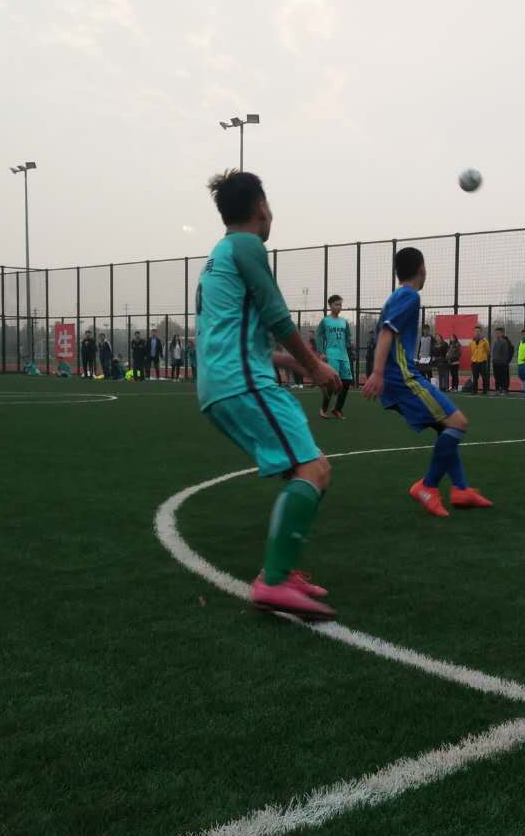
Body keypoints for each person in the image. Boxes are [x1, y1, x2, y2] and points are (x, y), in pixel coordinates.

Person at [196, 169, 340, 619]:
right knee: (314, 469)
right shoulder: (247, 246)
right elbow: (277, 316)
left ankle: (283, 570)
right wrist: (313, 365)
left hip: (222, 384)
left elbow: (234, 335)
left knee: (307, 468)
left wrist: (291, 363)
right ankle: (273, 581)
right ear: (261, 207)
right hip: (241, 383)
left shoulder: (217, 256)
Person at [362, 246, 493, 517]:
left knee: (445, 426)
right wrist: (377, 372)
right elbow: (387, 332)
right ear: (422, 268)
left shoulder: (396, 296)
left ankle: (460, 488)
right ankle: (427, 486)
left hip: (398, 377)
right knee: (458, 423)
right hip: (402, 378)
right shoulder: (410, 296)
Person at [316, 294, 353, 418]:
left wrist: (350, 344)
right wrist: (321, 352)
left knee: (347, 381)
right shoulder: (325, 321)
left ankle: (337, 409)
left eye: (340, 305)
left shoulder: (344, 321)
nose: (339, 307)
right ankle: (323, 409)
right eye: (336, 304)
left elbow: (348, 336)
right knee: (332, 382)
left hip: (344, 355)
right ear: (330, 306)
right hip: (331, 354)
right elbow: (319, 336)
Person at [491, 327, 513, 395]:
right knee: (497, 377)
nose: (497, 334)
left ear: (502, 333)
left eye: (498, 333)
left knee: (504, 377)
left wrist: (505, 361)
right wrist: (493, 360)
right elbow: (494, 352)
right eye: (496, 333)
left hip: (503, 363)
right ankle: (497, 390)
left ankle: (504, 390)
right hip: (495, 363)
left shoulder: (505, 342)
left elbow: (506, 353)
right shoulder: (495, 342)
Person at [468, 326, 491, 394]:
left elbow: (488, 350)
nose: (477, 332)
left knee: (484, 377)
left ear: (481, 332)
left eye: (478, 331)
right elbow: (471, 351)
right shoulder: (472, 341)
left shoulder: (485, 341)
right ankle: (474, 390)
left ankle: (485, 390)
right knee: (475, 377)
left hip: (482, 362)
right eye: (475, 331)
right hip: (474, 362)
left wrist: (482, 356)